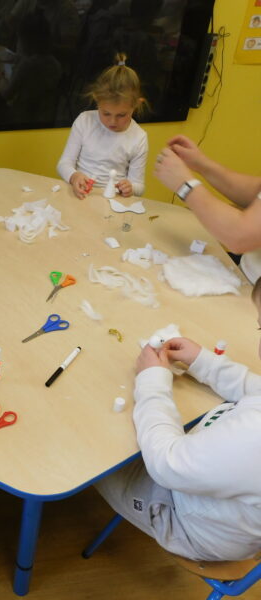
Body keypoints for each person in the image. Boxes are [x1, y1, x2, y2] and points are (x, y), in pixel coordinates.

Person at [95, 278, 261, 562]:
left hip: (188, 523)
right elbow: (255, 389)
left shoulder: (254, 437)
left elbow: (167, 465)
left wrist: (152, 381)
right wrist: (204, 362)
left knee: (93, 452)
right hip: (215, 498)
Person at [155, 135, 261, 284]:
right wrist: (201, 163)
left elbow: (241, 237)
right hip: (246, 271)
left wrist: (185, 186)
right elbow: (255, 192)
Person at [57, 53, 148, 199]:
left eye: (121, 115)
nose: (112, 122)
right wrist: (74, 176)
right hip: (81, 195)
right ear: (97, 100)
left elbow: (139, 186)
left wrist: (131, 187)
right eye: (106, 113)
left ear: (136, 105)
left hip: (113, 200)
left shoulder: (139, 137)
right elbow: (64, 163)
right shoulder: (85, 121)